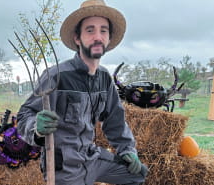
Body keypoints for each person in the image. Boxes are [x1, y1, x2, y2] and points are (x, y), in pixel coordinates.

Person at [17, 0, 148, 184]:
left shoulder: (104, 78)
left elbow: (115, 121)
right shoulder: (57, 76)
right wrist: (36, 128)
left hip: (91, 157)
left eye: (103, 30)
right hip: (64, 165)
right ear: (77, 38)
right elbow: (24, 115)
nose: (97, 36)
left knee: (136, 174)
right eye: (90, 30)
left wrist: (127, 150)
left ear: (109, 38)